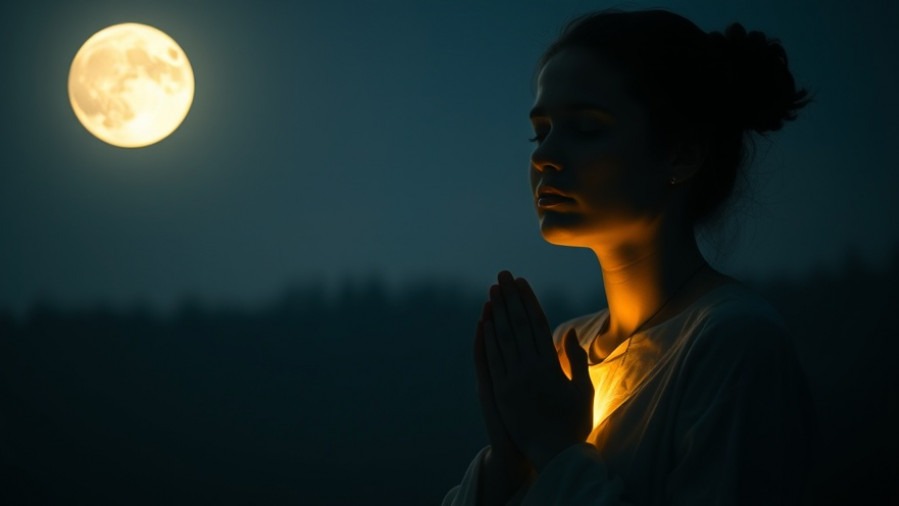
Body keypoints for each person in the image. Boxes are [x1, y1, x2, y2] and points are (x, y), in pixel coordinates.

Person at [442, 8, 816, 506]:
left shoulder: (734, 345)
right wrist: (506, 458)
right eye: (541, 131)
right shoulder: (562, 350)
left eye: (586, 128)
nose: (543, 155)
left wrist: (556, 448)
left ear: (681, 153)